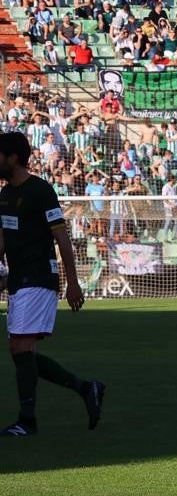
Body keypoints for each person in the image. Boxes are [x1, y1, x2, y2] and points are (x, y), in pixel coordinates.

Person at [0, 132, 102, 437]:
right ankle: (87, 389)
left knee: (20, 346)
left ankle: (27, 421)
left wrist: (73, 283)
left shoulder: (40, 190)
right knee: (22, 352)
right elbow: (3, 239)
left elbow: (61, 237)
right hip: (19, 280)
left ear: (12, 157)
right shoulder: (4, 195)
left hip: (40, 276)